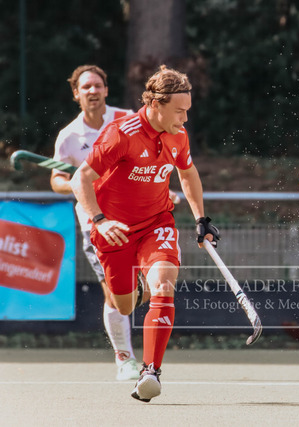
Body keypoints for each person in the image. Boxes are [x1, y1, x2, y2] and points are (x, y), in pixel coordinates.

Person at [70, 64, 219, 403]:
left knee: (164, 285)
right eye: (179, 111)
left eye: (187, 110)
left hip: (157, 223)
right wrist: (100, 221)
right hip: (115, 232)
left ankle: (150, 371)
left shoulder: (178, 135)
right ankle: (137, 288)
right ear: (155, 104)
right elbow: (81, 178)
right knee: (123, 306)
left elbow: (188, 173)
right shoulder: (121, 133)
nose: (185, 118)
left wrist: (201, 218)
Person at [50, 65, 141, 381]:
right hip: (96, 223)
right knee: (115, 294)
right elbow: (57, 180)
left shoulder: (126, 119)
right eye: (86, 87)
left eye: (98, 85)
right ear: (76, 94)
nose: (93, 91)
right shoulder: (69, 137)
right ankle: (125, 359)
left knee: (145, 289)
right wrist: (79, 182)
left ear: (106, 90)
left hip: (136, 217)